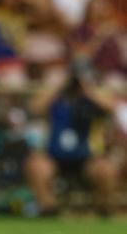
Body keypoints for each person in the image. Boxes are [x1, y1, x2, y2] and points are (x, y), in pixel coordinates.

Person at [24, 67, 119, 217]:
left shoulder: (93, 101)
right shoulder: (56, 101)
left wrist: (87, 90)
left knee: (107, 169)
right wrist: (60, 85)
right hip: (55, 157)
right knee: (36, 166)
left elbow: (113, 108)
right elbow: (35, 107)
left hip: (88, 158)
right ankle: (49, 209)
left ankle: (103, 209)